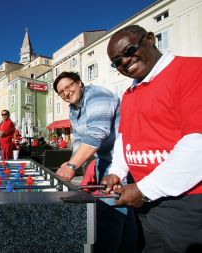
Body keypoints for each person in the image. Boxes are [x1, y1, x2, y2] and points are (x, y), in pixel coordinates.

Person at [102, 25, 202, 253]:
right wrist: (117, 171)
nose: (124, 62)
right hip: (145, 200)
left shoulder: (192, 69)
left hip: (186, 202)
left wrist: (145, 189)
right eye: (116, 61)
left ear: (150, 39)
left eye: (128, 51)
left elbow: (197, 144)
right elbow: (124, 138)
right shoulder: (129, 94)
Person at [53, 71, 136, 253]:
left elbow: (96, 133)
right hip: (104, 159)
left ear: (79, 83)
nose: (67, 92)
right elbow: (78, 141)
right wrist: (71, 163)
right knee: (125, 215)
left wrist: (72, 166)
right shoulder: (73, 108)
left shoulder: (97, 95)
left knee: (110, 214)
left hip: (120, 160)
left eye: (69, 86)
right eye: (61, 92)